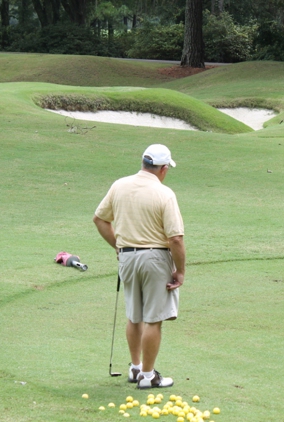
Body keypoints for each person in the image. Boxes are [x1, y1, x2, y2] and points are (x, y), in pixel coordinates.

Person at [93, 144, 185, 389]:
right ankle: (147, 376)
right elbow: (175, 238)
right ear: (163, 169)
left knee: (134, 316)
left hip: (128, 258)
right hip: (155, 259)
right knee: (153, 319)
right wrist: (180, 271)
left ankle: (135, 368)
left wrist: (118, 246)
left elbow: (99, 219)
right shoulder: (164, 193)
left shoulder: (119, 185)